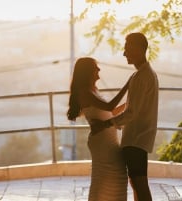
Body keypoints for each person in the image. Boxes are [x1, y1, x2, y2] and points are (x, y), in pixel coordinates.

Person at [91, 32, 159, 201]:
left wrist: (105, 124)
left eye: (127, 48)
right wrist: (112, 115)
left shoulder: (141, 76)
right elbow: (132, 107)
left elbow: (131, 113)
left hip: (136, 138)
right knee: (137, 183)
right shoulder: (144, 74)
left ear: (138, 49)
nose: (124, 53)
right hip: (138, 137)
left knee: (140, 184)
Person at [67, 57, 130, 201]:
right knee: (105, 181)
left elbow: (111, 113)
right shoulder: (85, 92)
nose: (99, 69)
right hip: (102, 144)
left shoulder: (93, 90)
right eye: (96, 67)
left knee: (117, 179)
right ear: (88, 71)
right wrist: (128, 86)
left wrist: (131, 101)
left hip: (109, 142)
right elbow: (110, 107)